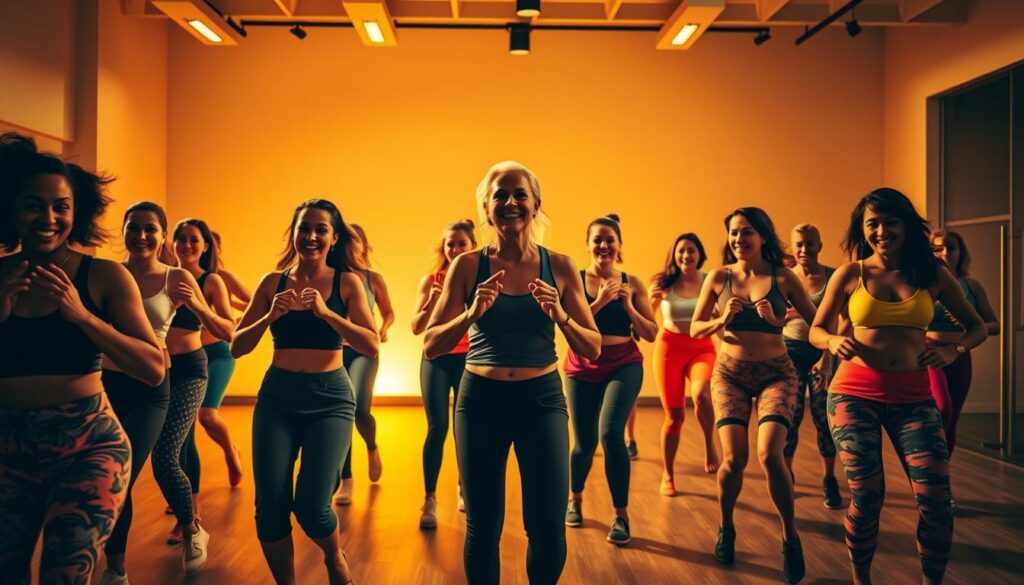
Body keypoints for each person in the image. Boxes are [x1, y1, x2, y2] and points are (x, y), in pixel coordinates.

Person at [424, 161, 601, 585]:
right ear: (487, 209)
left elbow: (592, 348)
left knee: (547, 527)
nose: (510, 203)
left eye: (519, 194)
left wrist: (561, 316)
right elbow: (431, 345)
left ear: (535, 204)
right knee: (483, 528)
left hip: (541, 401)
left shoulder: (559, 266)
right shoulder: (467, 266)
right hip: (479, 401)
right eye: (500, 195)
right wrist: (470, 314)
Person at [0, 132, 164, 582]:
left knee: (64, 574)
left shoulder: (105, 277)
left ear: (78, 212)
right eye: (34, 205)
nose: (48, 218)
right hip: (7, 450)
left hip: (88, 448)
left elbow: (153, 368)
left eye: (61, 207)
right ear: (12, 209)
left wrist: (84, 318)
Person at [809, 188, 987, 585]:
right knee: (868, 496)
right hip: (852, 397)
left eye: (890, 221)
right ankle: (862, 579)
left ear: (906, 226)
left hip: (914, 399)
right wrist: (832, 341)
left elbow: (976, 327)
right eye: (872, 223)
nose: (881, 230)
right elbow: (816, 330)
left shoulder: (932, 274)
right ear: (862, 229)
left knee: (937, 502)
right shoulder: (850, 274)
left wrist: (954, 351)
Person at [232, 198, 378, 585]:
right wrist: (269, 316)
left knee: (313, 507)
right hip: (277, 398)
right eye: (304, 228)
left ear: (333, 238)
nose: (311, 236)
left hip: (329, 399)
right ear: (294, 234)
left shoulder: (348, 283)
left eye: (320, 230)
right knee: (270, 508)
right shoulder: (272, 282)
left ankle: (333, 556)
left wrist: (328, 314)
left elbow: (371, 344)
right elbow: (236, 346)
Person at [690, 207, 818, 583]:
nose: (739, 239)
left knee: (770, 455)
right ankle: (727, 526)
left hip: (776, 373)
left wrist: (780, 321)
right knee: (733, 459)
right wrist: (720, 319)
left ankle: (789, 537)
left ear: (763, 236)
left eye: (747, 232)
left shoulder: (784, 277)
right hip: (729, 374)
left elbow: (816, 324)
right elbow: (697, 328)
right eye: (733, 233)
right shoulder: (719, 277)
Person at [563, 214, 658, 545]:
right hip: (582, 366)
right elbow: (571, 324)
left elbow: (651, 333)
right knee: (584, 444)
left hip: (624, 363)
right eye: (597, 240)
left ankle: (621, 516)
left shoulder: (633, 282)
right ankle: (574, 499)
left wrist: (629, 306)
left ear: (619, 246)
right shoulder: (574, 279)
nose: (603, 245)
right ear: (588, 244)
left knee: (610, 434)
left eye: (610, 240)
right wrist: (601, 299)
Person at [412, 219, 477, 528]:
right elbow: (416, 327)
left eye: (461, 244)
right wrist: (432, 301)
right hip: (436, 359)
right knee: (437, 427)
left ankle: (465, 487)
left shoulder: (480, 278)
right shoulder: (432, 279)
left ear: (472, 246)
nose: (455, 249)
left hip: (469, 359)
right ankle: (430, 500)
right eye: (450, 244)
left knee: (464, 428)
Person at [648, 232, 719, 496]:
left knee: (702, 396)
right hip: (669, 349)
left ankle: (709, 443)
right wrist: (651, 298)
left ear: (700, 254)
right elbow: (646, 318)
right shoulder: (663, 283)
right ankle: (668, 473)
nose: (686, 255)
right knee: (674, 418)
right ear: (674, 255)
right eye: (681, 251)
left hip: (702, 348)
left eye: (691, 250)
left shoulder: (711, 280)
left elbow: (721, 318)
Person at [781, 223, 842, 508]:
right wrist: (786, 315)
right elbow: (768, 319)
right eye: (799, 244)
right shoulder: (783, 278)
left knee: (823, 417)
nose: (804, 249)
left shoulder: (832, 277)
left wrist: (826, 357)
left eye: (810, 243)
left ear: (820, 245)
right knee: (789, 418)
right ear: (793, 247)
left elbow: (841, 321)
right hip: (789, 351)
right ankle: (787, 475)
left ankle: (829, 479)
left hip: (823, 351)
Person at [334, 224, 393, 504]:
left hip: (363, 351)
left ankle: (371, 445)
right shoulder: (333, 276)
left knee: (359, 408)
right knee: (343, 410)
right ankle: (346, 478)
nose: (349, 245)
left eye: (354, 241)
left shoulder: (373, 278)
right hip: (334, 351)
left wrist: (383, 328)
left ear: (362, 246)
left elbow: (389, 312)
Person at [927, 229, 999, 456]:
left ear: (961, 253)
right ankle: (926, 461)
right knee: (942, 408)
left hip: (960, 352)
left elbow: (994, 325)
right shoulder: (924, 283)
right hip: (930, 353)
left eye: (952, 247)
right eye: (939, 248)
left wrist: (969, 322)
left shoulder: (972, 286)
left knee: (953, 415)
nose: (946, 252)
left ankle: (940, 472)